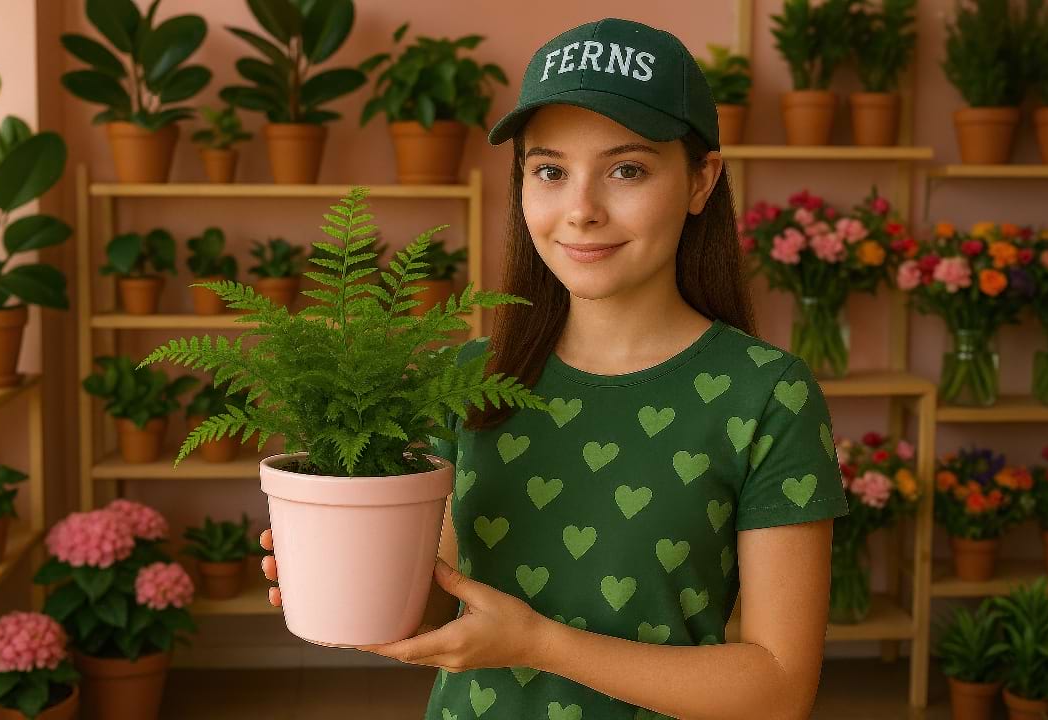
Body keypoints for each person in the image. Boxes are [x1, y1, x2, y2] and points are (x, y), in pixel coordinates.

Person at [260, 17, 848, 720]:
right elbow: (444, 605)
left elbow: (780, 689)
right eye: (550, 170)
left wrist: (539, 644)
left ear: (701, 180)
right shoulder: (468, 376)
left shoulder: (767, 394)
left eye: (626, 169)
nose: (581, 211)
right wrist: (348, 563)